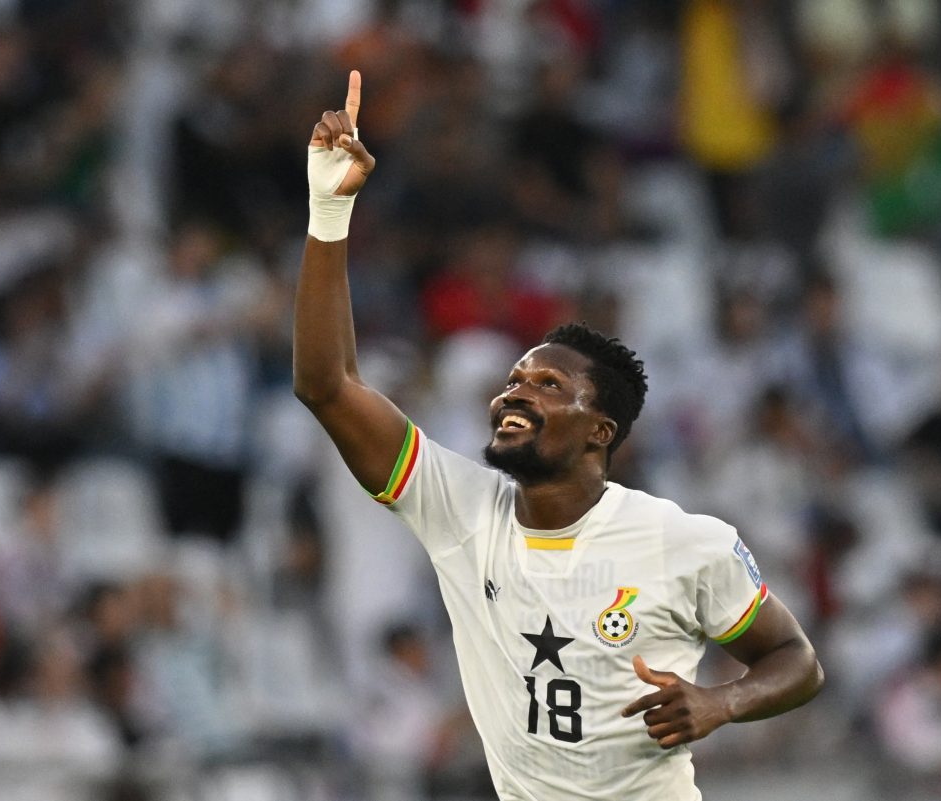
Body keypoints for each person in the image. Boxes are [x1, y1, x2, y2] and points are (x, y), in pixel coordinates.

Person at [294, 71, 824, 800]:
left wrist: (718, 701)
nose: (516, 390)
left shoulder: (683, 541)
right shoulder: (460, 509)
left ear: (599, 431)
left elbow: (796, 659)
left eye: (548, 385)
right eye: (514, 378)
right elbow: (327, 386)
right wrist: (329, 211)